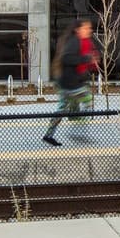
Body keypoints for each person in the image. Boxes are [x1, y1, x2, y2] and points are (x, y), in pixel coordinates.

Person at [42, 19, 96, 147]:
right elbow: (67, 58)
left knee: (61, 110)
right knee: (88, 99)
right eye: (86, 28)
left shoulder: (82, 42)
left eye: (89, 28)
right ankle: (77, 131)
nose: (89, 30)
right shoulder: (75, 41)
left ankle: (48, 136)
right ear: (78, 30)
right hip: (69, 83)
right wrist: (86, 58)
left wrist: (89, 61)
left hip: (68, 82)